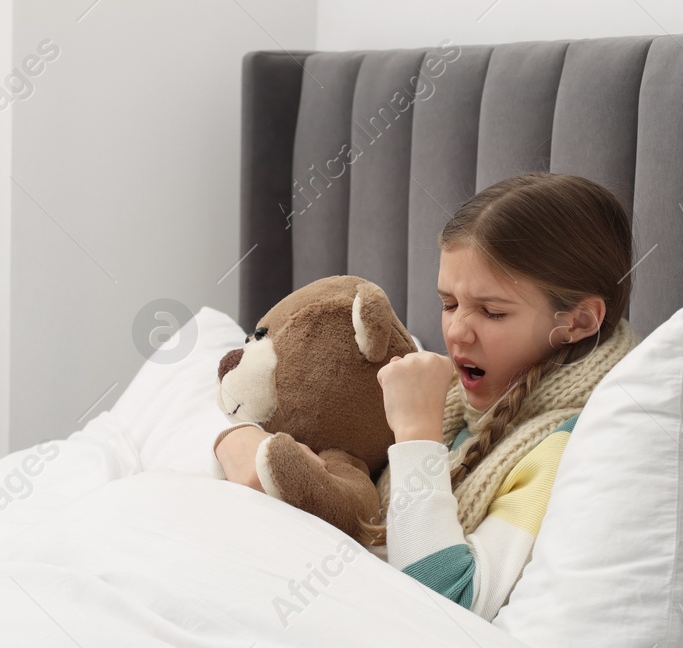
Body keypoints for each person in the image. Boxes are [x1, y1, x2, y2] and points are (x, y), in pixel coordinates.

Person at [217, 171, 640, 620]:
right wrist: (236, 438)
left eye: (492, 312)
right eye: (448, 304)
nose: (456, 332)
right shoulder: (458, 398)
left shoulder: (564, 446)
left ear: (577, 321)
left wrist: (417, 434)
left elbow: (446, 604)